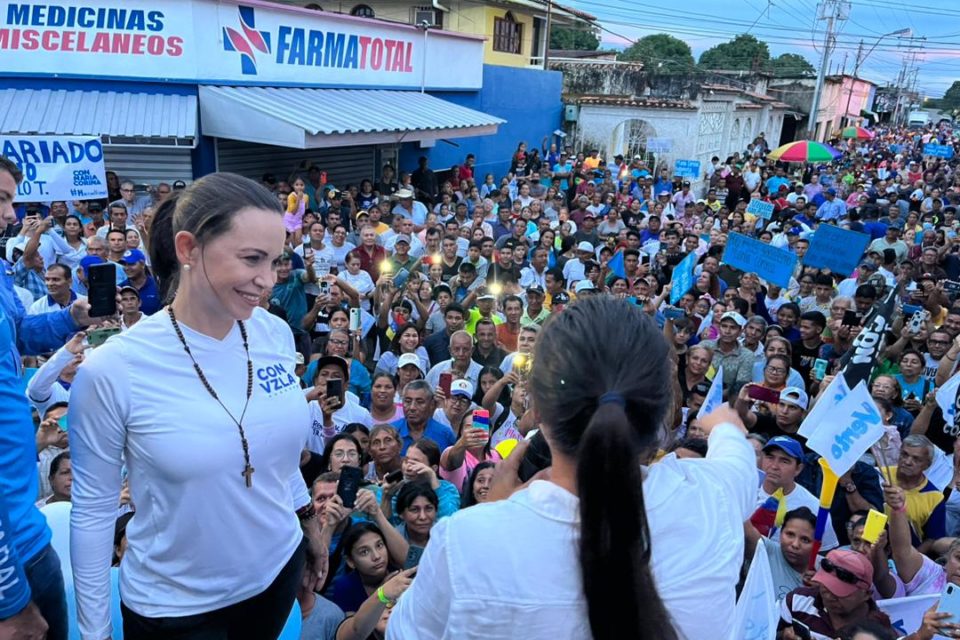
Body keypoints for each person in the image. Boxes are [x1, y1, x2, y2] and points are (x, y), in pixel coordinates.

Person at [388, 296, 756, 640]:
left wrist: (494, 515)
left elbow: (403, 632)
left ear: (541, 411)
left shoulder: (464, 542)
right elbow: (736, 459)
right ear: (661, 410)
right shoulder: (712, 498)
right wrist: (724, 425)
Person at [69, 173, 326, 639]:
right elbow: (92, 510)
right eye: (251, 259)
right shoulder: (114, 369)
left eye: (275, 260)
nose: (267, 281)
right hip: (175, 605)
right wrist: (94, 633)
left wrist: (307, 519)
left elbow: (271, 450)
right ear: (188, 249)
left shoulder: (274, 333)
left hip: (275, 574)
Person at [0, 155, 104, 640]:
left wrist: (70, 320)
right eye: (1, 199)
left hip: (26, 531)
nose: (11, 215)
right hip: (9, 556)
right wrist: (9, 597)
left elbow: (18, 333)